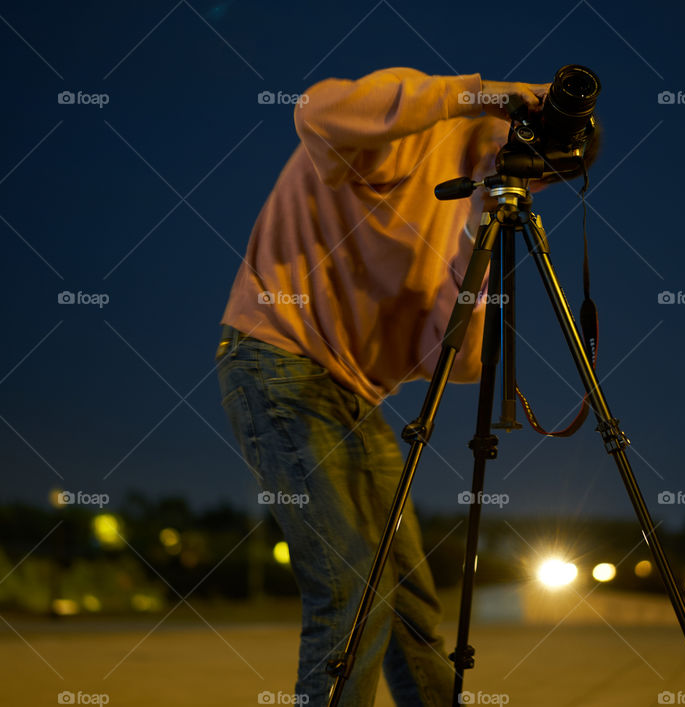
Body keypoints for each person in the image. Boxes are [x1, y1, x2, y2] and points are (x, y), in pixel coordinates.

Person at [215, 68, 566, 705]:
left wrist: (473, 259)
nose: (534, 176)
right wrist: (486, 91)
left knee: (408, 598)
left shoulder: (458, 217)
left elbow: (455, 362)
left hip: (353, 399)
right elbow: (316, 108)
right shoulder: (408, 127)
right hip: (278, 363)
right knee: (351, 588)